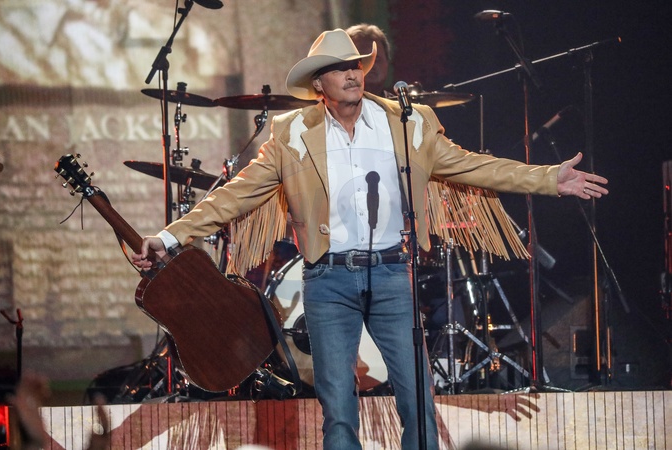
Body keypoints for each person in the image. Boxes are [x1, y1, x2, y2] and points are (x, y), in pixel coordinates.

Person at [131, 29, 608, 449]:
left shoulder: (407, 122)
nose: (352, 74)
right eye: (339, 68)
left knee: (417, 398)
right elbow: (235, 195)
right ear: (319, 84)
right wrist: (170, 237)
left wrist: (549, 178)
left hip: (392, 273)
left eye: (356, 65)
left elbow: (473, 166)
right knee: (339, 408)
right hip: (328, 280)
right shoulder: (292, 133)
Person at [345, 23, 391, 97]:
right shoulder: (329, 104)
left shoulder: (402, 103)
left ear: (387, 62)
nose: (371, 63)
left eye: (376, 58)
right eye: (361, 58)